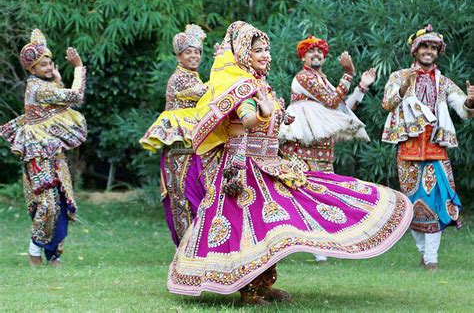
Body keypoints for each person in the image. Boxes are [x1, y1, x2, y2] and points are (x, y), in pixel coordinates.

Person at [161, 21, 413, 305]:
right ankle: (248, 290)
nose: (266, 55)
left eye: (267, 49)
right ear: (244, 53)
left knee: (272, 226)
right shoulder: (241, 85)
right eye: (258, 51)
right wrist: (264, 113)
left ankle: (264, 285)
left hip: (267, 164)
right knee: (249, 227)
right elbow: (244, 122)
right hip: (242, 168)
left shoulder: (259, 83)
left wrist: (280, 116)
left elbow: (270, 119)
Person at [381, 24, 474, 270]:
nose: (429, 51)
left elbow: (462, 109)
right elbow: (387, 103)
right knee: (414, 207)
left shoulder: (443, 82)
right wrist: (404, 87)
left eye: (434, 47)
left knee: (438, 203)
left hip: (436, 151)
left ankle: (432, 259)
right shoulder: (399, 76)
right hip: (408, 152)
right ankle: (423, 253)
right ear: (415, 49)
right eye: (425, 46)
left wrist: (471, 101)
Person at [279, 36, 376, 263]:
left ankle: (321, 246)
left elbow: (342, 110)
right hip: (302, 147)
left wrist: (361, 87)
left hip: (322, 149)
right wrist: (348, 74)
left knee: (322, 194)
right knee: (303, 193)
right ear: (303, 56)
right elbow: (333, 102)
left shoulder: (322, 80)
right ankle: (312, 247)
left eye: (319, 52)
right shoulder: (304, 77)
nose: (316, 55)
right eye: (311, 51)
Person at [0, 29, 87, 265]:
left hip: (53, 153)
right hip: (39, 155)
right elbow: (76, 96)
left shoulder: (45, 85)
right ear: (32, 69)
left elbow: (59, 103)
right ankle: (34, 252)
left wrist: (57, 78)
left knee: (60, 200)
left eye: (50, 63)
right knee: (48, 204)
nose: (48, 68)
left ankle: (54, 255)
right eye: (43, 65)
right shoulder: (39, 88)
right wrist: (78, 67)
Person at [140, 24, 217, 246]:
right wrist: (225, 65)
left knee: (196, 198)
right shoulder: (182, 79)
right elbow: (209, 95)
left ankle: (196, 247)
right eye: (188, 52)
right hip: (180, 152)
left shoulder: (193, 76)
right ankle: (189, 248)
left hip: (190, 150)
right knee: (184, 199)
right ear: (179, 55)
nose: (194, 56)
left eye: (197, 52)